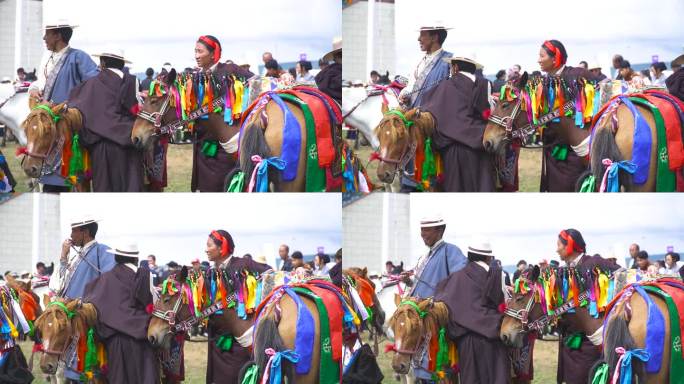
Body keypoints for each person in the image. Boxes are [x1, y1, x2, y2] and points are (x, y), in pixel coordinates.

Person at [28, 19, 99, 192]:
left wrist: (66, 104)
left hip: (68, 128)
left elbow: (93, 85)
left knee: (70, 177)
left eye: (47, 34)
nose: (44, 38)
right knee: (49, 183)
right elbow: (40, 81)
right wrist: (34, 89)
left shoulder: (78, 57)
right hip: (48, 129)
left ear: (58, 35)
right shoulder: (48, 58)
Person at [48, 215, 115, 381]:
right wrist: (63, 255)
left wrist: (87, 303)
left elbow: (110, 280)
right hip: (70, 317)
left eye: (74, 231)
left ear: (85, 232)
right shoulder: (75, 255)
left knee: (87, 369)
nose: (71, 235)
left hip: (87, 318)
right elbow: (57, 286)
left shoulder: (102, 251)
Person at [400, 215, 466, 381]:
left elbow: (461, 279)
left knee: (437, 368)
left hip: (436, 321)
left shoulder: (451, 251)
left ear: (440, 230)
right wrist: (409, 281)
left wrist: (440, 297)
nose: (422, 234)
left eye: (427, 230)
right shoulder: (425, 256)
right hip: (421, 322)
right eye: (421, 230)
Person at [435, 239, 510, 384]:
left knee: (471, 379)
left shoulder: (454, 278)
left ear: (469, 255)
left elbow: (442, 303)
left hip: (466, 342)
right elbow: (503, 303)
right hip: (493, 340)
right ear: (489, 257)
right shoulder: (497, 276)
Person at [67, 50, 144, 192]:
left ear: (102, 63)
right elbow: (138, 112)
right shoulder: (134, 82)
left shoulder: (90, 84)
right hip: (128, 144)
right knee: (130, 188)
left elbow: (75, 109)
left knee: (104, 190)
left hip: (100, 148)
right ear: (122, 64)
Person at [84, 243, 159, 383]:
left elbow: (91, 303)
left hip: (114, 341)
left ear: (116, 257)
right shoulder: (144, 275)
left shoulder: (105, 278)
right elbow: (153, 303)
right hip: (141, 339)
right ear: (136, 259)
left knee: (119, 378)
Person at [203, 230, 271, 383]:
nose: (206, 249)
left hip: (240, 344)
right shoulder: (209, 273)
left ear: (222, 247)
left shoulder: (243, 265)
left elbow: (270, 274)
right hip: (217, 340)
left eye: (209, 245)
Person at [421, 56, 496, 191]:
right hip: (480, 145)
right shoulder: (485, 84)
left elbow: (429, 109)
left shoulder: (445, 85)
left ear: (455, 67)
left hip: (452, 149)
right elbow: (490, 112)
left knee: (456, 190)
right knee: (481, 187)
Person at [555, 228, 618, 384]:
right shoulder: (564, 271)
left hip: (590, 345)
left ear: (569, 245)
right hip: (571, 342)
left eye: (559, 245)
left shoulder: (595, 263)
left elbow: (621, 278)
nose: (556, 250)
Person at [191, 35, 253, 192]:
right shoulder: (196, 76)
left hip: (226, 151)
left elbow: (256, 82)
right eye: (195, 51)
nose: (196, 56)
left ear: (213, 53)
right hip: (203, 148)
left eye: (200, 51)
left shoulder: (230, 70)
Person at [537, 39, 598, 192]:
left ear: (555, 57)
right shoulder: (543, 82)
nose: (538, 60)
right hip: (553, 150)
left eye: (542, 56)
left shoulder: (577, 74)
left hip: (575, 153)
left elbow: (604, 88)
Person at [398, 25, 453, 109]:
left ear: (434, 38)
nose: (419, 39)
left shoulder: (449, 62)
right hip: (413, 114)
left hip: (436, 116)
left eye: (422, 35)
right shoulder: (418, 61)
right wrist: (405, 95)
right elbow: (411, 85)